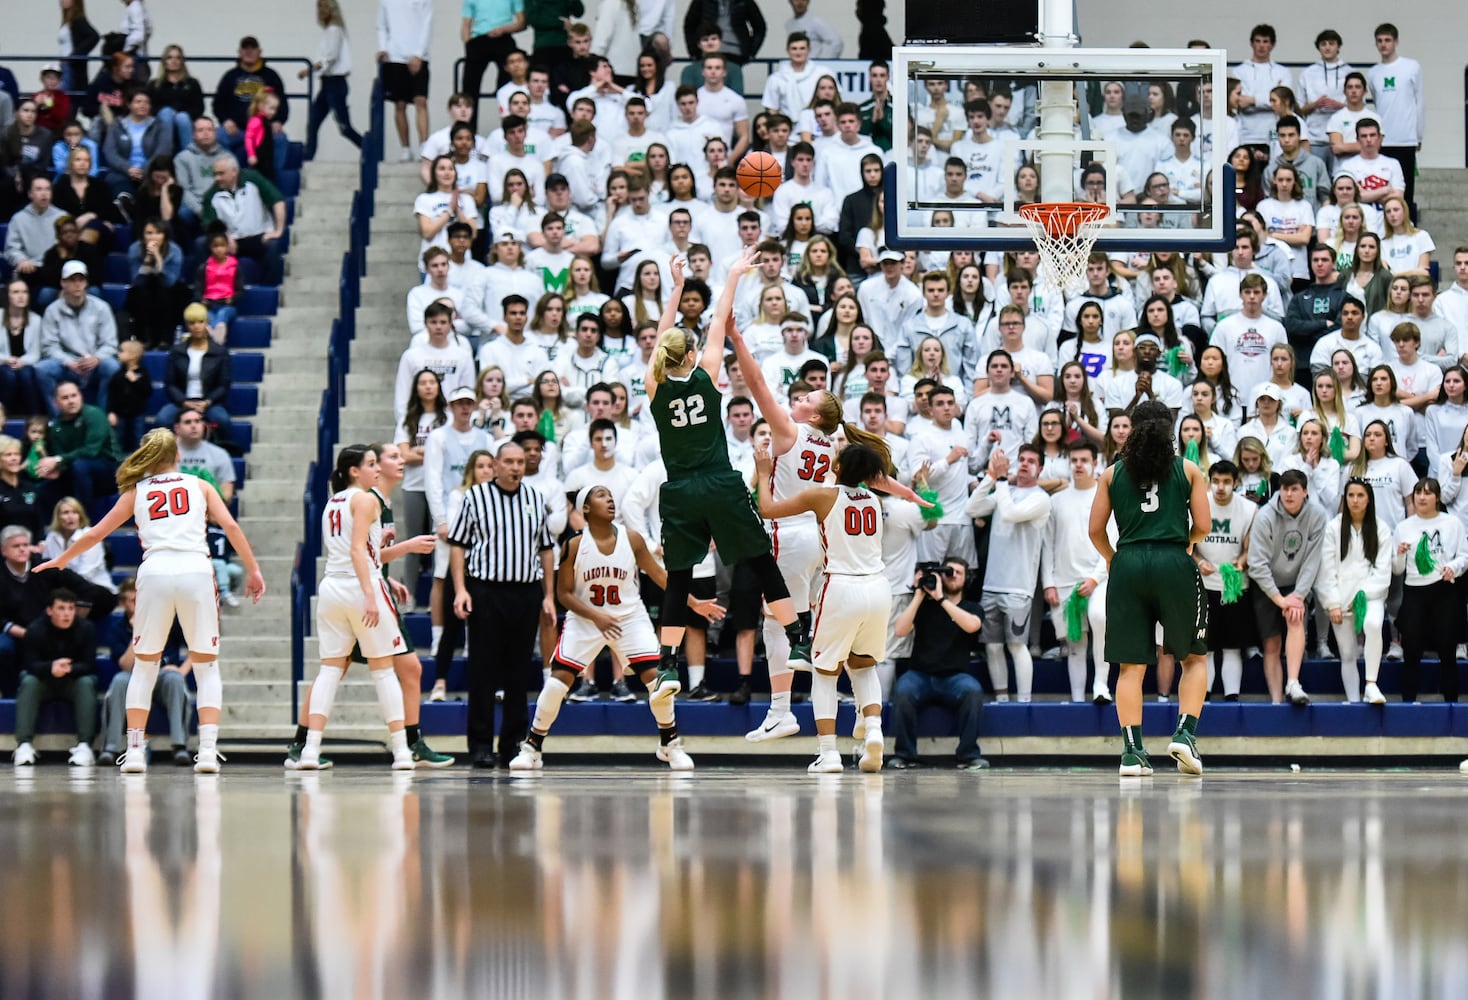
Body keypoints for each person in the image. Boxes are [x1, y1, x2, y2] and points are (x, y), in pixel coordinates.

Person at [36, 426, 264, 773]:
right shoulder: (199, 485)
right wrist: (253, 570)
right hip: (195, 571)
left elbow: (96, 532)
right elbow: (231, 527)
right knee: (205, 666)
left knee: (144, 665)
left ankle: (137, 751)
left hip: (155, 573)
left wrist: (63, 559)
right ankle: (206, 752)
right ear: (177, 456)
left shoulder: (136, 490)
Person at [646, 249, 812, 697]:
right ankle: (798, 640)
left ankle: (666, 666)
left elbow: (665, 336)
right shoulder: (708, 374)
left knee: (679, 579)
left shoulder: (654, 384)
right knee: (759, 560)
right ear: (694, 354)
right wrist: (734, 273)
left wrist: (676, 287)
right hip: (719, 482)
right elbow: (719, 319)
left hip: (680, 490)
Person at [510, 484, 720, 771]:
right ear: (585, 508)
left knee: (657, 681)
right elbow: (564, 595)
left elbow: (660, 575)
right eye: (601, 495)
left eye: (610, 495)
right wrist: (596, 616)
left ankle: (669, 745)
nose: (609, 499)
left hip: (628, 617)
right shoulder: (573, 545)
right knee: (558, 681)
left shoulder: (632, 539)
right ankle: (532, 747)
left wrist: (694, 602)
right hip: (586, 620)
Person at [286, 442, 451, 768]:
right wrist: (372, 593)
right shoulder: (365, 499)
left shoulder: (332, 501)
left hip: (331, 588)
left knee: (329, 673)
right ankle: (403, 751)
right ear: (354, 470)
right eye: (372, 463)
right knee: (383, 671)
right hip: (359, 588)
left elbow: (359, 551)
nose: (377, 469)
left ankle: (307, 751)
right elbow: (359, 552)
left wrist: (383, 575)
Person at [1087, 400, 1211, 777]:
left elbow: (1095, 530)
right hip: (1173, 560)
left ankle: (1131, 753)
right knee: (1192, 658)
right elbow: (1203, 525)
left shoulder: (1111, 473)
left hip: (1128, 564)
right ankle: (1184, 735)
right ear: (1170, 429)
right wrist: (1185, 544)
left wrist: (1112, 557)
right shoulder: (1188, 469)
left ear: (1131, 429)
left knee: (1130, 667)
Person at [754, 440, 894, 773]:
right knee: (863, 666)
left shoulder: (823, 495)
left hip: (842, 586)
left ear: (839, 467)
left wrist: (763, 473)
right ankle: (873, 729)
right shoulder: (874, 499)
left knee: (825, 671)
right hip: (878, 586)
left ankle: (828, 752)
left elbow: (768, 509)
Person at [447, 438, 555, 769]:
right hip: (485, 591)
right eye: (509, 462)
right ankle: (480, 746)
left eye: (520, 462)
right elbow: (458, 545)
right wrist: (461, 590)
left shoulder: (536, 498)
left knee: (519, 673)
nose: (515, 467)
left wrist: (549, 595)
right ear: (495, 465)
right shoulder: (475, 497)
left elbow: (546, 549)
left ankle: (512, 744)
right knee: (483, 670)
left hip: (525, 592)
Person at [965, 443, 1050, 702]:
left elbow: (1012, 513)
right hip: (992, 584)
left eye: (1031, 460)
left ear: (1041, 468)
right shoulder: (1006, 490)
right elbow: (972, 509)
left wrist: (1000, 479)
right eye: (1021, 459)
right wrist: (991, 477)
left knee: (1016, 645)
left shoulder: (1041, 498)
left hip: (1019, 588)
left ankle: (1024, 702)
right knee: (992, 646)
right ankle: (1002, 700)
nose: (1024, 464)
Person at [888, 555, 985, 769]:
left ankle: (968, 755)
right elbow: (899, 630)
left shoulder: (972, 607)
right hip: (920, 674)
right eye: (949, 571)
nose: (953, 576)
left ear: (966, 579)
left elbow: (972, 626)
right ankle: (905, 756)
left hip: (954, 677)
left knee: (973, 692)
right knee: (903, 691)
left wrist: (942, 599)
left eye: (959, 572)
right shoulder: (924, 605)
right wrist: (919, 595)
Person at [1246, 468, 1327, 706]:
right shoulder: (1265, 516)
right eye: (1284, 489)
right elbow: (1257, 564)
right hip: (1266, 583)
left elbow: (1312, 561)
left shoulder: (1317, 515)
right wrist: (1280, 599)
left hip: (1297, 582)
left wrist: (1298, 596)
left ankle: (1293, 683)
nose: (1288, 494)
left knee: (1296, 618)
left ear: (1305, 492)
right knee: (1271, 644)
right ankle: (1276, 701)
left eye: (1294, 489)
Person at [96, 577, 192, 767]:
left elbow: (198, 646)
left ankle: (180, 746)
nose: (139, 605)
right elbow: (125, 664)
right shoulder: (117, 628)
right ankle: (111, 747)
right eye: (133, 601)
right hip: (134, 677)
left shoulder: (169, 621)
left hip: (163, 676)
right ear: (124, 603)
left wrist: (182, 670)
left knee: (175, 679)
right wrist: (138, 631)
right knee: (119, 681)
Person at [1318, 478, 1392, 705]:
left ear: (1369, 499)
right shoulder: (1333, 527)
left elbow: (1383, 570)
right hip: (1341, 599)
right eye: (1351, 495)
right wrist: (1332, 603)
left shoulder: (1381, 527)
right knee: (1348, 654)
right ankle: (1353, 702)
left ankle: (1371, 684)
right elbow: (1326, 569)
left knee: (1373, 624)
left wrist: (1362, 596)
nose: (1355, 500)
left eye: (1360, 495)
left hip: (1371, 597)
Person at [1392, 477, 1466, 703]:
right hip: (1414, 591)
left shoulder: (1452, 523)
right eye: (1417, 493)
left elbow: (1464, 556)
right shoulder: (1403, 527)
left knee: (1447, 650)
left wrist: (1453, 567)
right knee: (1412, 651)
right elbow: (1396, 570)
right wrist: (1401, 554)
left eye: (1427, 493)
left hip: (1444, 590)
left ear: (1438, 498)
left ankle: (1451, 703)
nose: (1421, 497)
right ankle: (1408, 703)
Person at [1041, 443, 1104, 702]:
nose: (1078, 465)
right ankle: (1078, 699)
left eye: (1084, 460)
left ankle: (1101, 685)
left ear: (1095, 463)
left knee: (1100, 619)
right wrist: (1048, 583)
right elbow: (1047, 544)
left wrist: (1094, 578)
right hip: (1065, 580)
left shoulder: (1104, 497)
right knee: (1076, 643)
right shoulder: (1056, 501)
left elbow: (1112, 542)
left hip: (1099, 579)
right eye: (1074, 460)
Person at [9, 589, 98, 768]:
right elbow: (30, 664)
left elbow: (89, 665)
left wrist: (69, 669)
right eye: (61, 608)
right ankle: (24, 744)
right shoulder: (35, 629)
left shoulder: (86, 628)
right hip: (44, 682)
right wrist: (51, 668)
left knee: (87, 682)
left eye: (71, 608)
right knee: (28, 680)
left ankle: (85, 746)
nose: (67, 613)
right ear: (49, 610)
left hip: (72, 681)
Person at [199, 154, 286, 286]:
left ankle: (274, 289)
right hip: (232, 240)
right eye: (215, 174)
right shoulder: (211, 195)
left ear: (234, 171)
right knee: (202, 244)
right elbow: (211, 224)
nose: (217, 178)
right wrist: (225, 238)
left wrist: (279, 230)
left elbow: (277, 200)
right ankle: (211, 289)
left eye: (221, 174)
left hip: (260, 235)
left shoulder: (253, 179)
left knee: (273, 246)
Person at [1367, 24, 1424, 209]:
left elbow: (1419, 101)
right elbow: (1378, 101)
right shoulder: (1373, 72)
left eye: (1388, 40)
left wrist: (1418, 134)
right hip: (1383, 140)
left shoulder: (1411, 66)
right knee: (1383, 189)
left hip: (1406, 139)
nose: (1384, 45)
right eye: (1380, 41)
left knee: (1405, 191)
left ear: (1396, 42)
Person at [301, 0, 362, 161]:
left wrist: (311, 70)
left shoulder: (335, 30)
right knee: (313, 122)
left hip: (335, 83)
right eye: (319, 7)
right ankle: (308, 157)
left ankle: (367, 148)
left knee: (344, 127)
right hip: (327, 83)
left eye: (325, 6)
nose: (321, 10)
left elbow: (330, 57)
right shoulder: (329, 30)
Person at [155, 305, 231, 431]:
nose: (196, 326)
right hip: (182, 402)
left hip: (209, 402)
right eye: (192, 323)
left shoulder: (220, 352)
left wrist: (207, 402)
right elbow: (170, 383)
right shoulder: (177, 351)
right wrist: (184, 402)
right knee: (162, 420)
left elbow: (223, 385)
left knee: (222, 420)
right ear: (187, 325)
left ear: (207, 323)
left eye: (200, 322)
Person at [211, 37, 289, 159]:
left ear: (260, 52)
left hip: (265, 130)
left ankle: (273, 178)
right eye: (245, 48)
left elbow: (283, 104)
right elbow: (218, 104)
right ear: (239, 52)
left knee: (280, 139)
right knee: (219, 135)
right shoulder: (230, 76)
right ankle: (230, 173)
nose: (249, 51)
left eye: (253, 48)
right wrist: (225, 121)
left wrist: (278, 122)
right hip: (237, 130)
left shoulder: (271, 76)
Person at [377, 0, 434, 160]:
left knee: (420, 101)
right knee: (399, 104)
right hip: (394, 58)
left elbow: (426, 23)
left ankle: (424, 147)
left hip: (419, 57)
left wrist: (418, 53)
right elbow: (381, 26)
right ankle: (406, 149)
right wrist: (383, 48)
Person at [460, 0, 526, 132]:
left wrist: (504, 29)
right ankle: (468, 132)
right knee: (469, 86)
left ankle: (511, 128)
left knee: (509, 84)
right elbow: (466, 24)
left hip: (503, 37)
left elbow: (521, 22)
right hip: (479, 39)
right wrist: (468, 45)